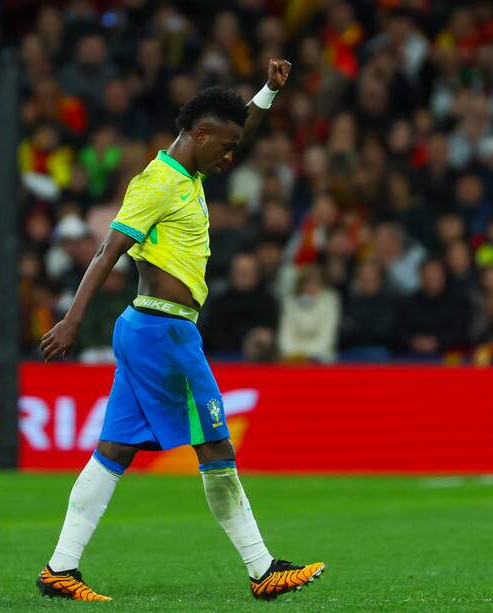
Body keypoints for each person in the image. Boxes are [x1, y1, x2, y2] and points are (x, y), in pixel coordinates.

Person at [37, 59, 324, 602]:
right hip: (164, 333)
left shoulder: (189, 174)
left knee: (113, 452)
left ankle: (60, 569)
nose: (231, 156)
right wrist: (73, 320)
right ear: (200, 134)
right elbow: (107, 251)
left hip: (151, 329)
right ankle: (263, 571)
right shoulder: (158, 183)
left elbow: (239, 128)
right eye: (225, 146)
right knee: (217, 444)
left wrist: (267, 93)